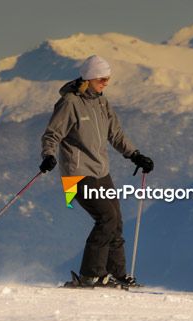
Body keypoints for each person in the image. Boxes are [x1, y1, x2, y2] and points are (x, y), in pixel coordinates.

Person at [39, 55, 154, 287]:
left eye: (108, 79)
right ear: (89, 78)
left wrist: (135, 155)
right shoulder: (70, 102)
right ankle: (91, 275)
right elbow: (52, 134)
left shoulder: (102, 103)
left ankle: (116, 274)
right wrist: (49, 156)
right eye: (102, 79)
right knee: (106, 217)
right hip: (77, 173)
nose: (105, 83)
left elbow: (116, 134)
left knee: (116, 221)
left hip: (101, 171)